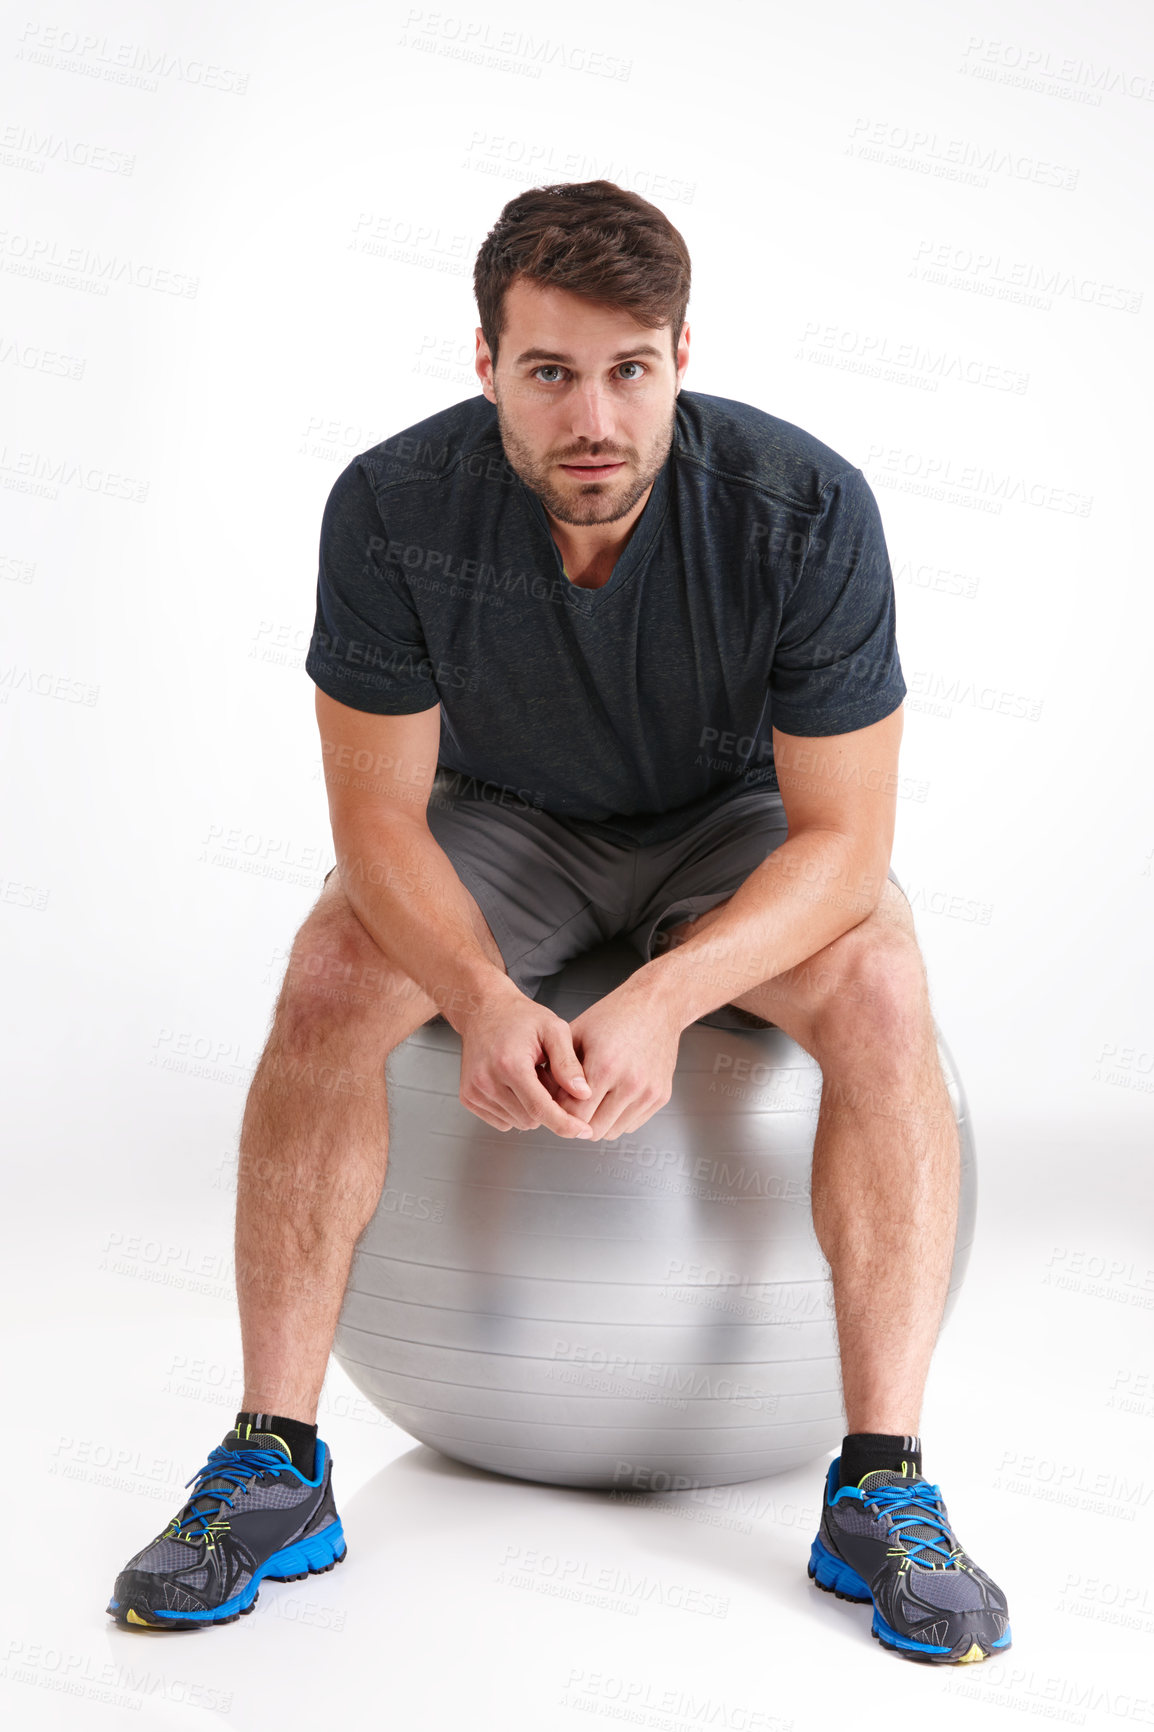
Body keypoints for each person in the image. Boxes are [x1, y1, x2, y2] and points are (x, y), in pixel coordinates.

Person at [108, 180, 1011, 1664]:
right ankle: (274, 1464)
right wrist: (473, 990)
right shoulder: (394, 506)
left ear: (677, 355)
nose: (592, 415)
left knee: (882, 991)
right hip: (502, 818)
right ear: (485, 367)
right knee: (332, 970)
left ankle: (881, 1489)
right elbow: (379, 821)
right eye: (548, 373)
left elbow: (846, 844)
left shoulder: (804, 508)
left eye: (628, 368)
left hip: (731, 827)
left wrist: (662, 996)